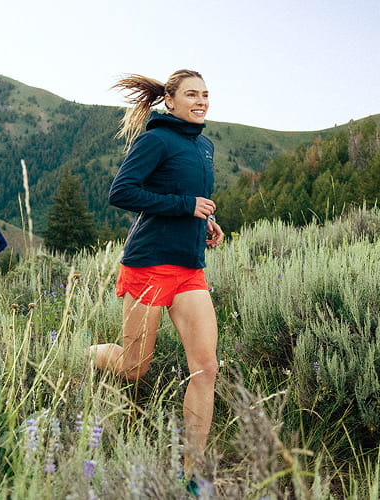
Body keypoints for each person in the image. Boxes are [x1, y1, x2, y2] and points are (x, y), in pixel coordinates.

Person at [89, 70, 224, 481]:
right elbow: (122, 192)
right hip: (149, 265)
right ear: (170, 100)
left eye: (205, 94)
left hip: (189, 269)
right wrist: (186, 205)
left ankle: (192, 474)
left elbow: (191, 201)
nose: (200, 101)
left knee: (206, 368)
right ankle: (87, 354)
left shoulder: (205, 146)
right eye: (191, 94)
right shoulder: (155, 140)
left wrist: (207, 221)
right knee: (134, 368)